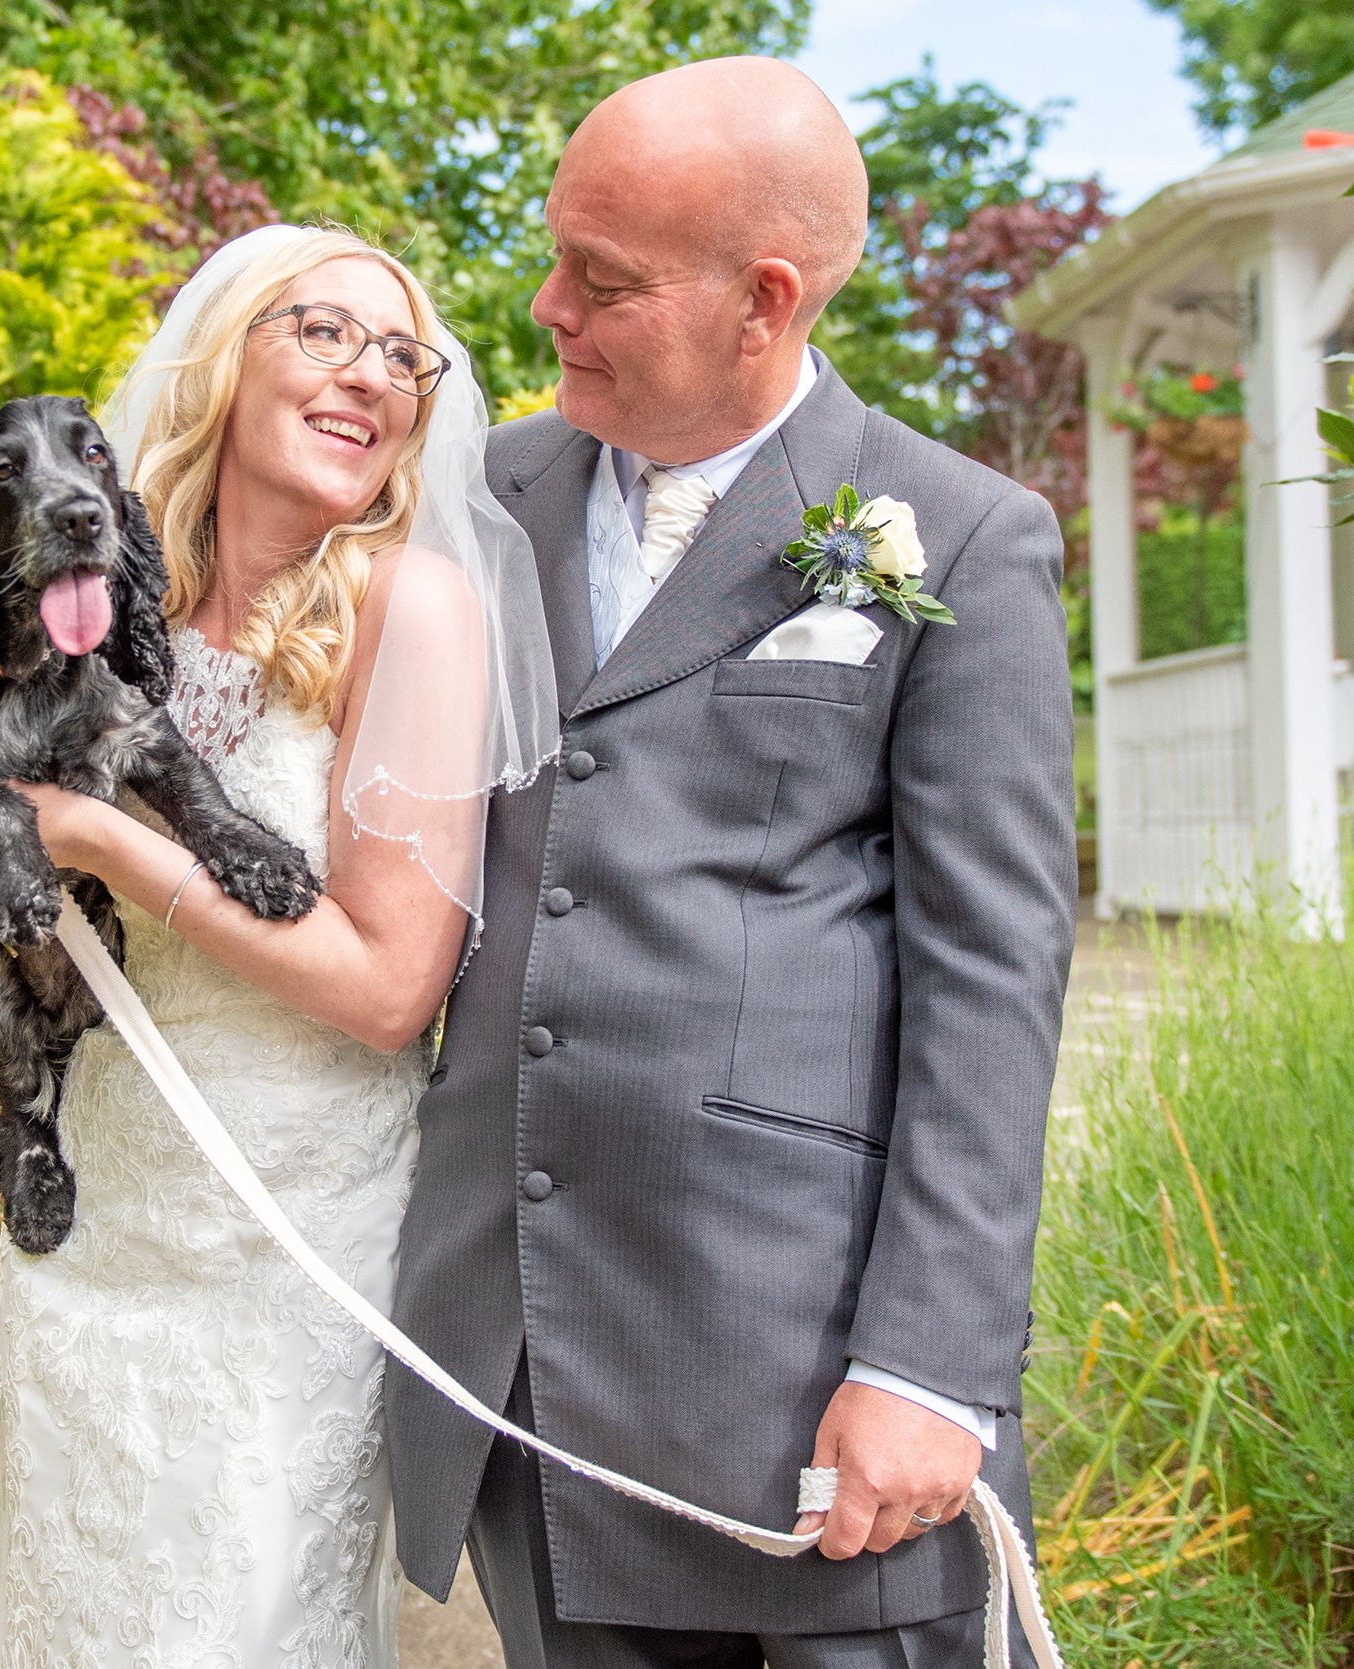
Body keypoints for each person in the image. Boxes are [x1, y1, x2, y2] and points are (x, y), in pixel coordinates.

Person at [385, 57, 1078, 1668]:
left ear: (765, 300)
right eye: (557, 252)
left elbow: (994, 979)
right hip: (527, 1366)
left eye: (605, 280)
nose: (546, 305)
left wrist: (930, 1363)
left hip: (803, 1391)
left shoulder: (960, 537)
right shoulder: (478, 498)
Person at [0, 224, 556, 1667]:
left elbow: (387, 989)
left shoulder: (408, 606)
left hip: (279, 1241)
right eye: (324, 332)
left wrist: (115, 845)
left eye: (404, 354)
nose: (372, 374)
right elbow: (1, 793)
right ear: (226, 355)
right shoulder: (111, 596)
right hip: (95, 1220)